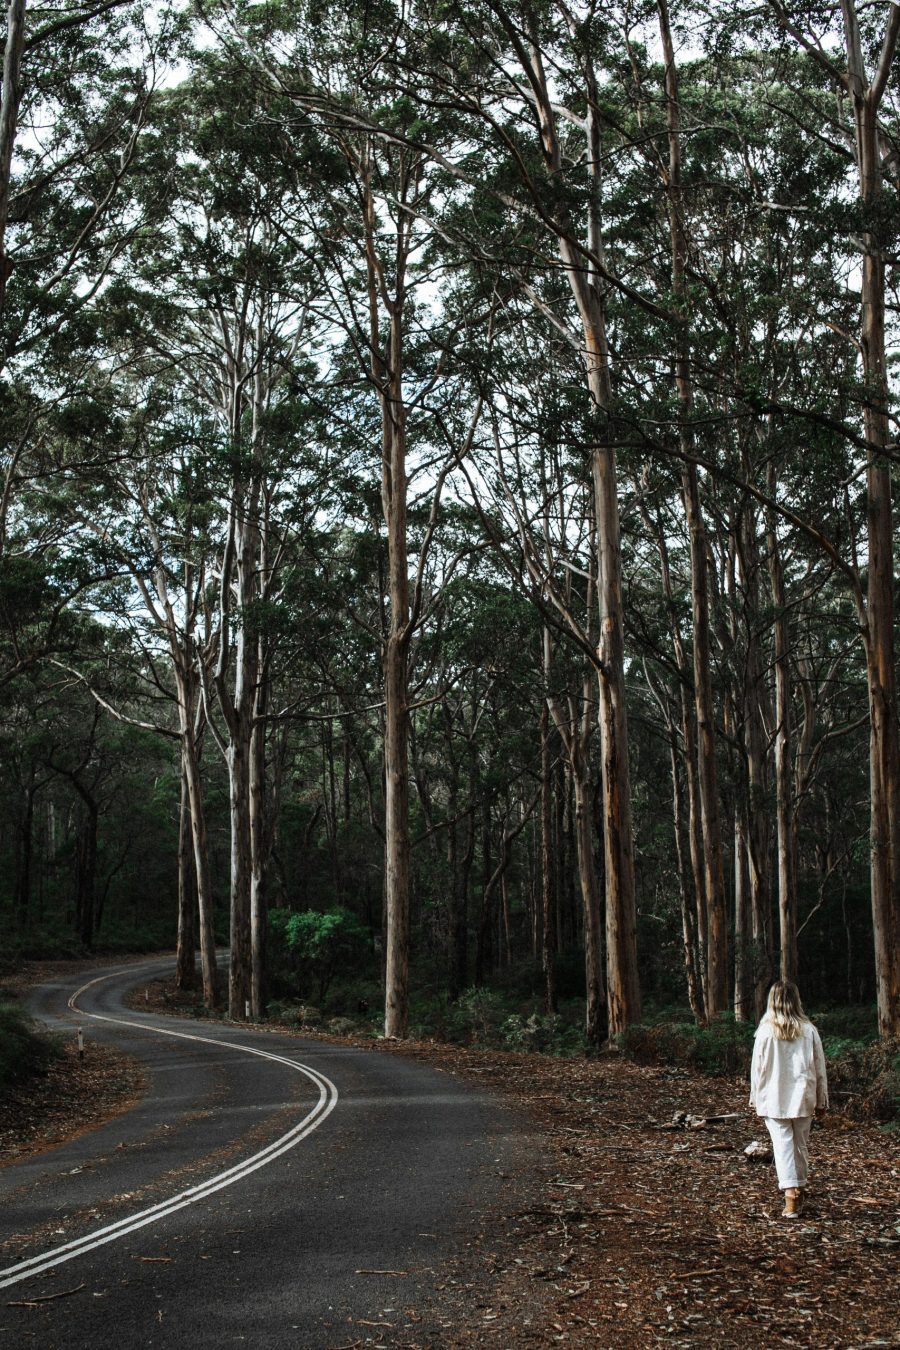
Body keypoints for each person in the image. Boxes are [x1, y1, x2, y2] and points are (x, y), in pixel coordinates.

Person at [749, 979, 829, 1219]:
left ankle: (791, 1194)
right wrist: (822, 1100)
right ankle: (798, 1189)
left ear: (771, 1001)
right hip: (803, 1096)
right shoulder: (809, 1030)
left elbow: (757, 1069)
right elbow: (819, 1067)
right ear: (796, 1001)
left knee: (782, 1144)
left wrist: (755, 1098)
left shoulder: (765, 1031)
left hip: (774, 1097)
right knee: (799, 1144)